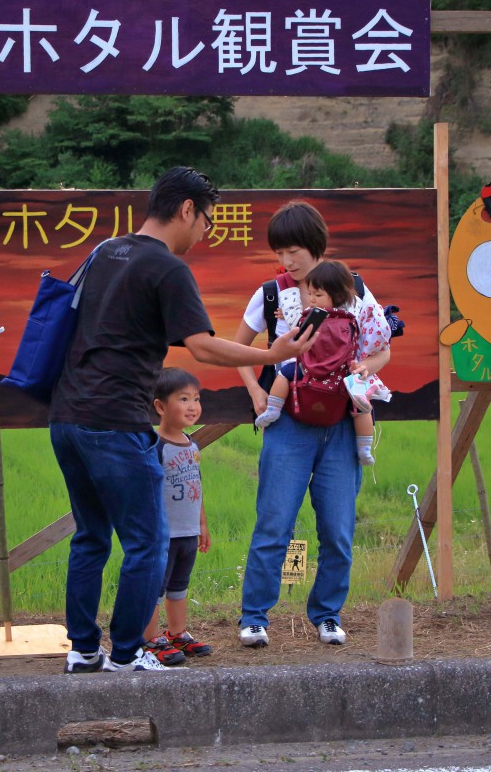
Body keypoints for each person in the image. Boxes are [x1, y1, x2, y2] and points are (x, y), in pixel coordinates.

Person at [52, 168, 318, 674]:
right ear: (186, 210)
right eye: (205, 222)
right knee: (148, 542)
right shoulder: (167, 268)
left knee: (90, 537)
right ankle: (129, 653)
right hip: (115, 421)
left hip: (68, 416)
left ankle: (85, 650)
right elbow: (200, 345)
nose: (205, 234)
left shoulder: (106, 251)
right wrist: (272, 350)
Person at [233, 201, 391, 649]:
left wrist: (362, 368)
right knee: (274, 523)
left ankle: (327, 614)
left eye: (295, 250)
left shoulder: (353, 287)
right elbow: (239, 348)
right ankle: (254, 617)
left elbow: (383, 348)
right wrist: (257, 391)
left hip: (341, 422)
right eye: (280, 252)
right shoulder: (270, 292)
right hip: (289, 424)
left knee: (338, 530)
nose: (288, 261)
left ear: (317, 245)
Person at [254, 259, 392, 466]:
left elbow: (301, 336)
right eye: (310, 294)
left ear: (337, 296)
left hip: (313, 369)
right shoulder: (349, 319)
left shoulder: (317, 317)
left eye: (317, 295)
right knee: (362, 406)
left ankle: (274, 408)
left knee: (284, 374)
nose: (311, 299)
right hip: (343, 375)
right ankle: (364, 446)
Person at [141, 367, 213, 666]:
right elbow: (145, 491)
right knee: (156, 587)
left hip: (187, 531)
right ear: (160, 406)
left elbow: (196, 484)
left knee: (179, 585)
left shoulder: (192, 444)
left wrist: (202, 524)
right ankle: (149, 638)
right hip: (163, 533)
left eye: (196, 399)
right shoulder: (155, 446)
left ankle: (176, 632)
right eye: (183, 399)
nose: (193, 406)